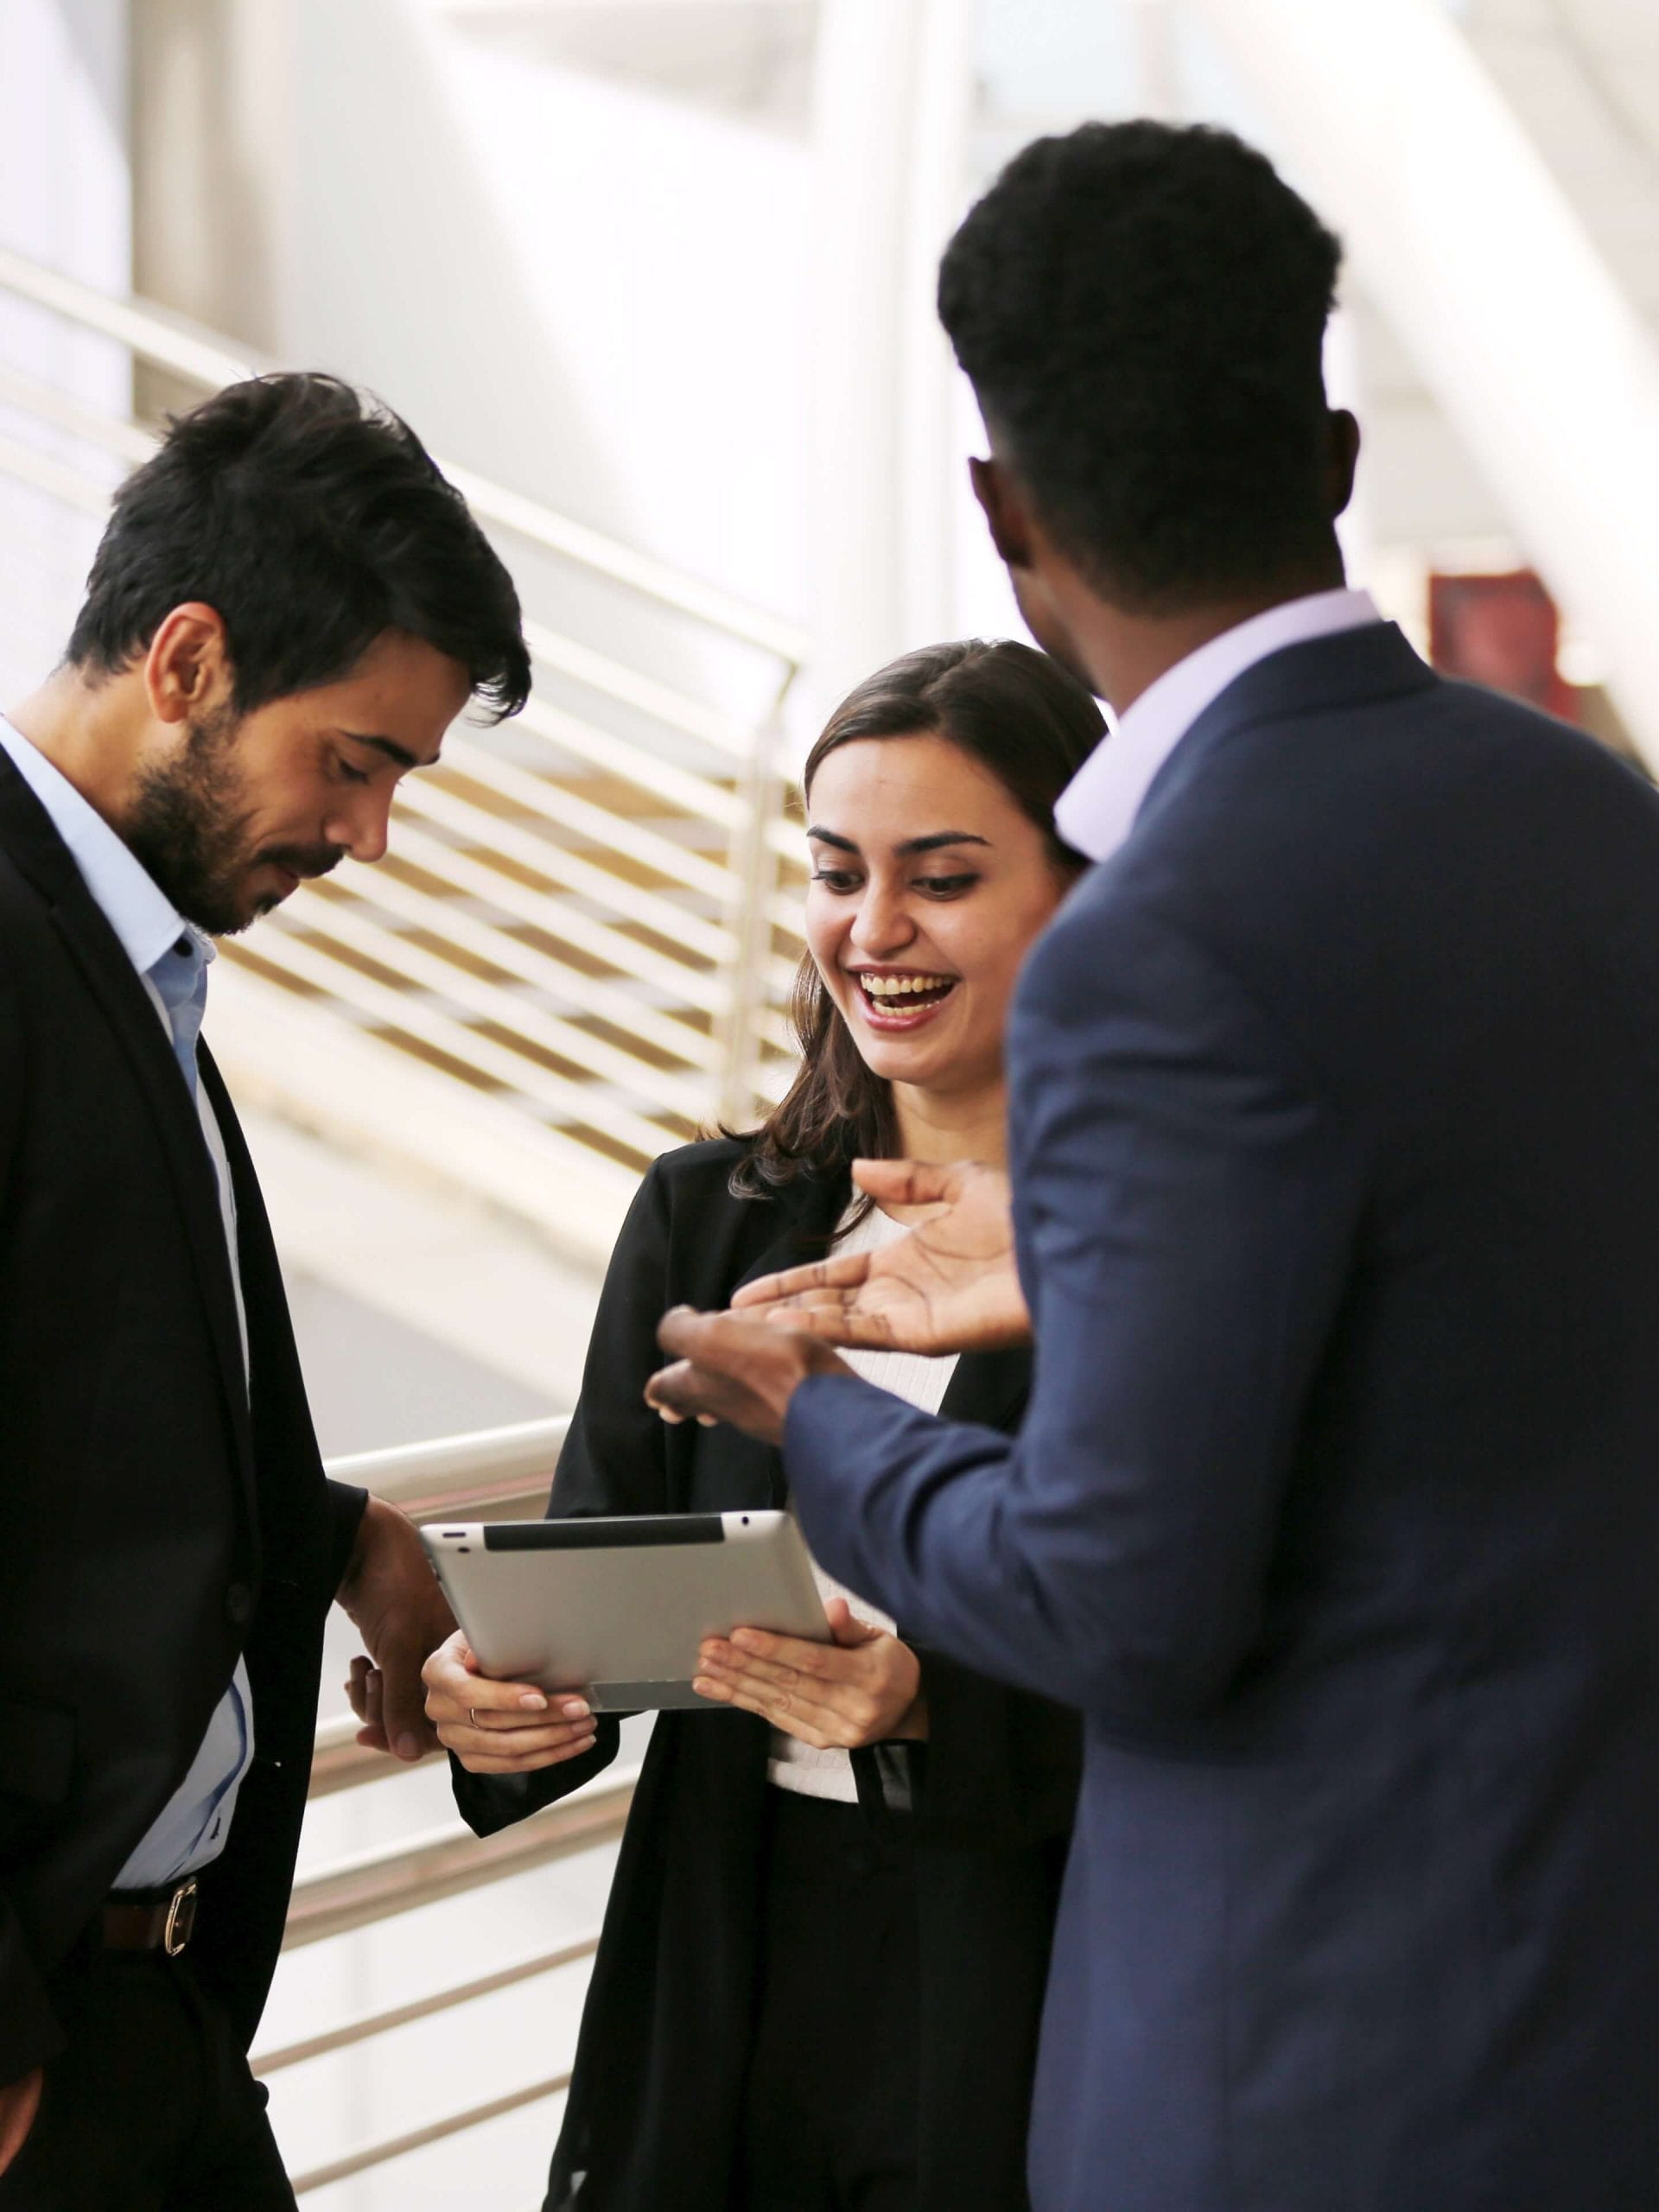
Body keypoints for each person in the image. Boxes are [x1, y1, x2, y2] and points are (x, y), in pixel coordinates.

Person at [646, 121, 1659, 2212]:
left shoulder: (1160, 944)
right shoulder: (1595, 824)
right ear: (1340, 454)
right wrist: (1082, 1256)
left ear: (1006, 514)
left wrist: (814, 1418)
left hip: (1301, 2074)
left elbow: (1120, 1593)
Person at [423, 639, 1097, 2212]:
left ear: (1083, 892)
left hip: (1038, 1958)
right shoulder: (706, 1218)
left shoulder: (1166, 1245)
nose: (876, 932)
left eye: (942, 877)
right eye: (837, 872)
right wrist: (495, 1696)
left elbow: (1238, 1653)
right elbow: (595, 1564)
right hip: (731, 1944)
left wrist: (933, 1702)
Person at [0, 372, 531, 2209]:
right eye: (356, 761)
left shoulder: (133, 973)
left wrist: (336, 1538)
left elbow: (63, 1420)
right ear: (191, 660)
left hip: (149, 2023)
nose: (372, 834)